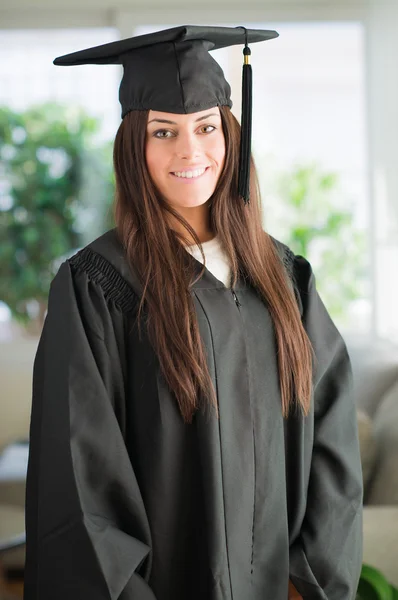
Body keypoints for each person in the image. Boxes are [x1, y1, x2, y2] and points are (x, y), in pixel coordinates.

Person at [23, 25, 363, 600]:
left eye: (207, 127)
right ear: (135, 145)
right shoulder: (98, 285)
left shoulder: (283, 276)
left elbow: (333, 441)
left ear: (231, 136)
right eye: (164, 131)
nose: (190, 151)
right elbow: (79, 480)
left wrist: (311, 581)